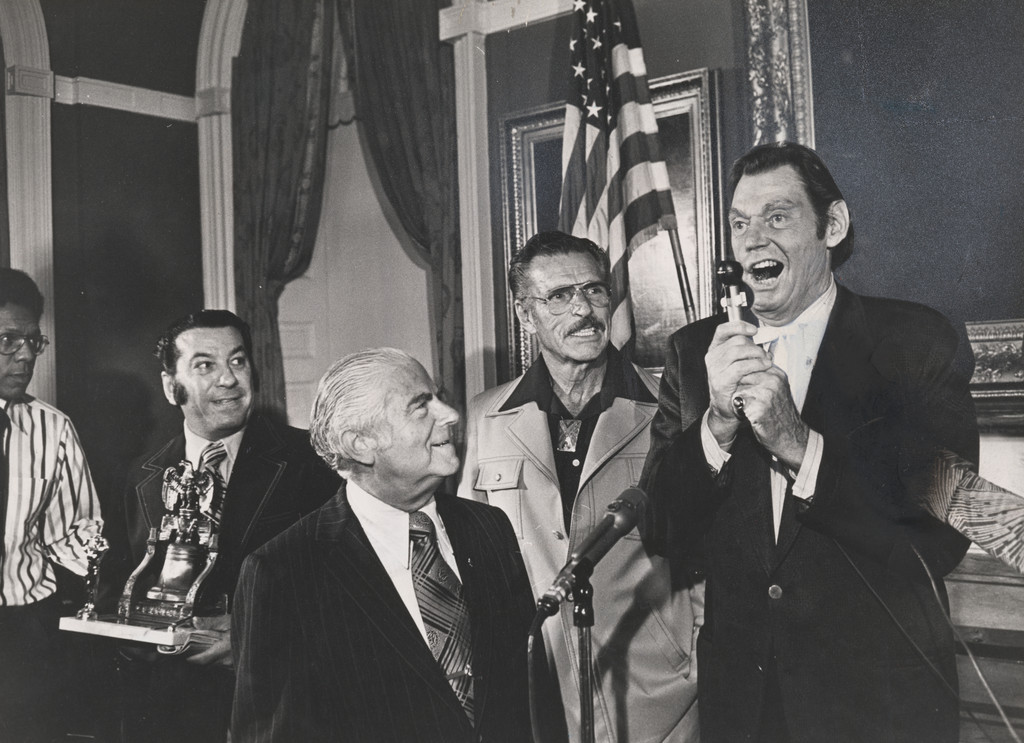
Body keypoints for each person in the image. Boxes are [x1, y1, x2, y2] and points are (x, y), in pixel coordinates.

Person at [641, 141, 979, 743]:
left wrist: (801, 445)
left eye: (777, 216)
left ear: (833, 225)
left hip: (879, 706)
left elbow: (943, 538)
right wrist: (715, 426)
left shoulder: (915, 341)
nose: (752, 240)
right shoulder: (693, 355)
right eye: (739, 223)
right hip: (745, 709)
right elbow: (661, 529)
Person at [459, 232, 701, 743]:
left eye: (593, 290)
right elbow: (471, 560)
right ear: (525, 315)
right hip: (538, 699)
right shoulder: (485, 418)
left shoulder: (670, 407)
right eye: (559, 296)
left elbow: (709, 547)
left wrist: (694, 658)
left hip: (656, 694)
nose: (583, 309)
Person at [231, 348, 536, 742]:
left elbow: (527, 694)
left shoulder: (489, 527)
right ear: (360, 444)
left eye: (439, 398)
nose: (451, 415)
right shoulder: (283, 571)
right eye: (421, 406)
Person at [102, 309, 340, 742]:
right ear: (171, 386)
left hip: (280, 704)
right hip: (171, 711)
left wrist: (255, 639)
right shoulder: (140, 478)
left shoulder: (312, 461)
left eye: (237, 360)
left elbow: (344, 585)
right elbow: (118, 585)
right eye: (205, 366)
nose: (228, 379)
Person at [0, 268, 102, 742]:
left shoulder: (53, 429)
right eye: (7, 341)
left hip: (28, 632)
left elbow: (77, 533)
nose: (25, 356)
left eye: (33, 342)